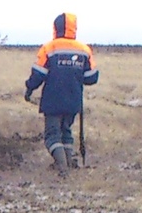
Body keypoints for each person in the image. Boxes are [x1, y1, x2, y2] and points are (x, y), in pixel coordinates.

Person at [25, 13, 98, 174]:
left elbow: (38, 74)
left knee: (52, 135)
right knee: (66, 132)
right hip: (73, 101)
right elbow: (92, 78)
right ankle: (69, 161)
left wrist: (29, 89)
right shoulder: (84, 50)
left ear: (56, 27)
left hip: (52, 100)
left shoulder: (49, 48)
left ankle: (63, 168)